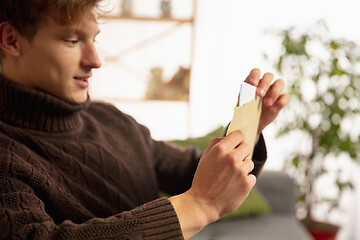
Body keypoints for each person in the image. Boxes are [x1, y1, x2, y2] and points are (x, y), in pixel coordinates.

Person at [0, 0, 289, 239]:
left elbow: (194, 172)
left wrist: (249, 127)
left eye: (94, 39)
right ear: (11, 40)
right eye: (72, 40)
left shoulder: (110, 119)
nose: (95, 60)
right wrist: (197, 206)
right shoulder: (7, 156)